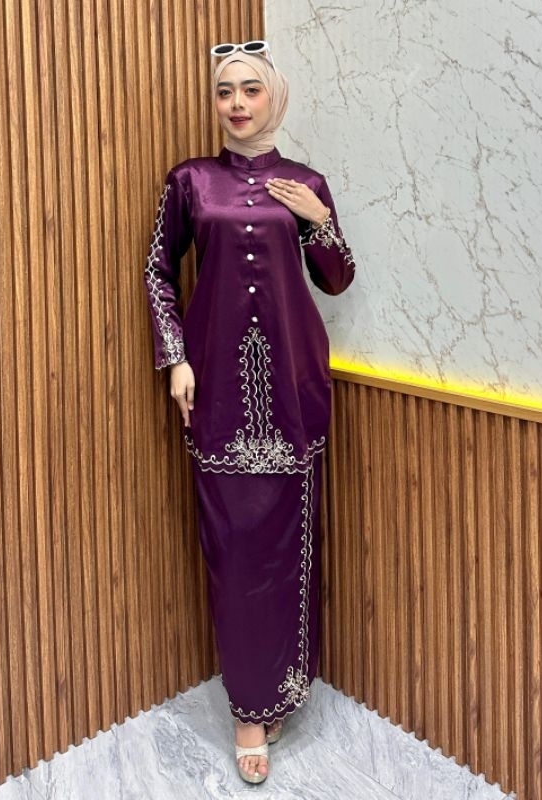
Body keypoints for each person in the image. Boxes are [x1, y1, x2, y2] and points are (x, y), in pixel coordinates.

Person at [143, 40, 356, 784]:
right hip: (220, 395)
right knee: (232, 551)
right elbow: (158, 270)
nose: (236, 103)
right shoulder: (190, 182)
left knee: (287, 542)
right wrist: (176, 356)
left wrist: (320, 220)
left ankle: (285, 686)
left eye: (250, 90)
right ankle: (247, 708)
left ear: (274, 97)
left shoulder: (307, 184)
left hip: (293, 391)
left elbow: (336, 280)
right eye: (224, 91)